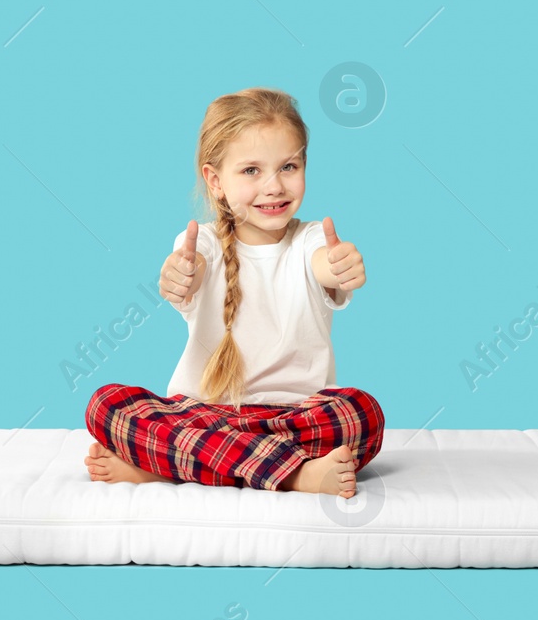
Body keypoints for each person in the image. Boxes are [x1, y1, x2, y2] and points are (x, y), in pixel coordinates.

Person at [83, 86, 384, 497]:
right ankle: (297, 475)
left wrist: (337, 267)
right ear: (215, 181)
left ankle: (170, 466)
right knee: (106, 404)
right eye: (251, 171)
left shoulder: (312, 240)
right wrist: (182, 274)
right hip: (202, 413)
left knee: (362, 414)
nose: (274, 186)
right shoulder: (202, 243)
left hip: (293, 418)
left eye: (289, 167)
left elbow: (323, 265)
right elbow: (192, 266)